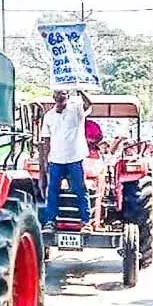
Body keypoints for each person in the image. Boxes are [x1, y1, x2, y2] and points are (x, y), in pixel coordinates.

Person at [40, 89, 93, 234]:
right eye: (57, 94)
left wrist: (81, 90)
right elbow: (46, 140)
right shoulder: (48, 116)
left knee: (80, 190)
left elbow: (88, 104)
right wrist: (45, 161)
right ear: (53, 97)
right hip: (56, 160)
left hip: (75, 159)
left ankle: (85, 222)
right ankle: (50, 221)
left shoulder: (76, 111)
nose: (59, 96)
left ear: (67, 96)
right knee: (52, 191)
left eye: (63, 93)